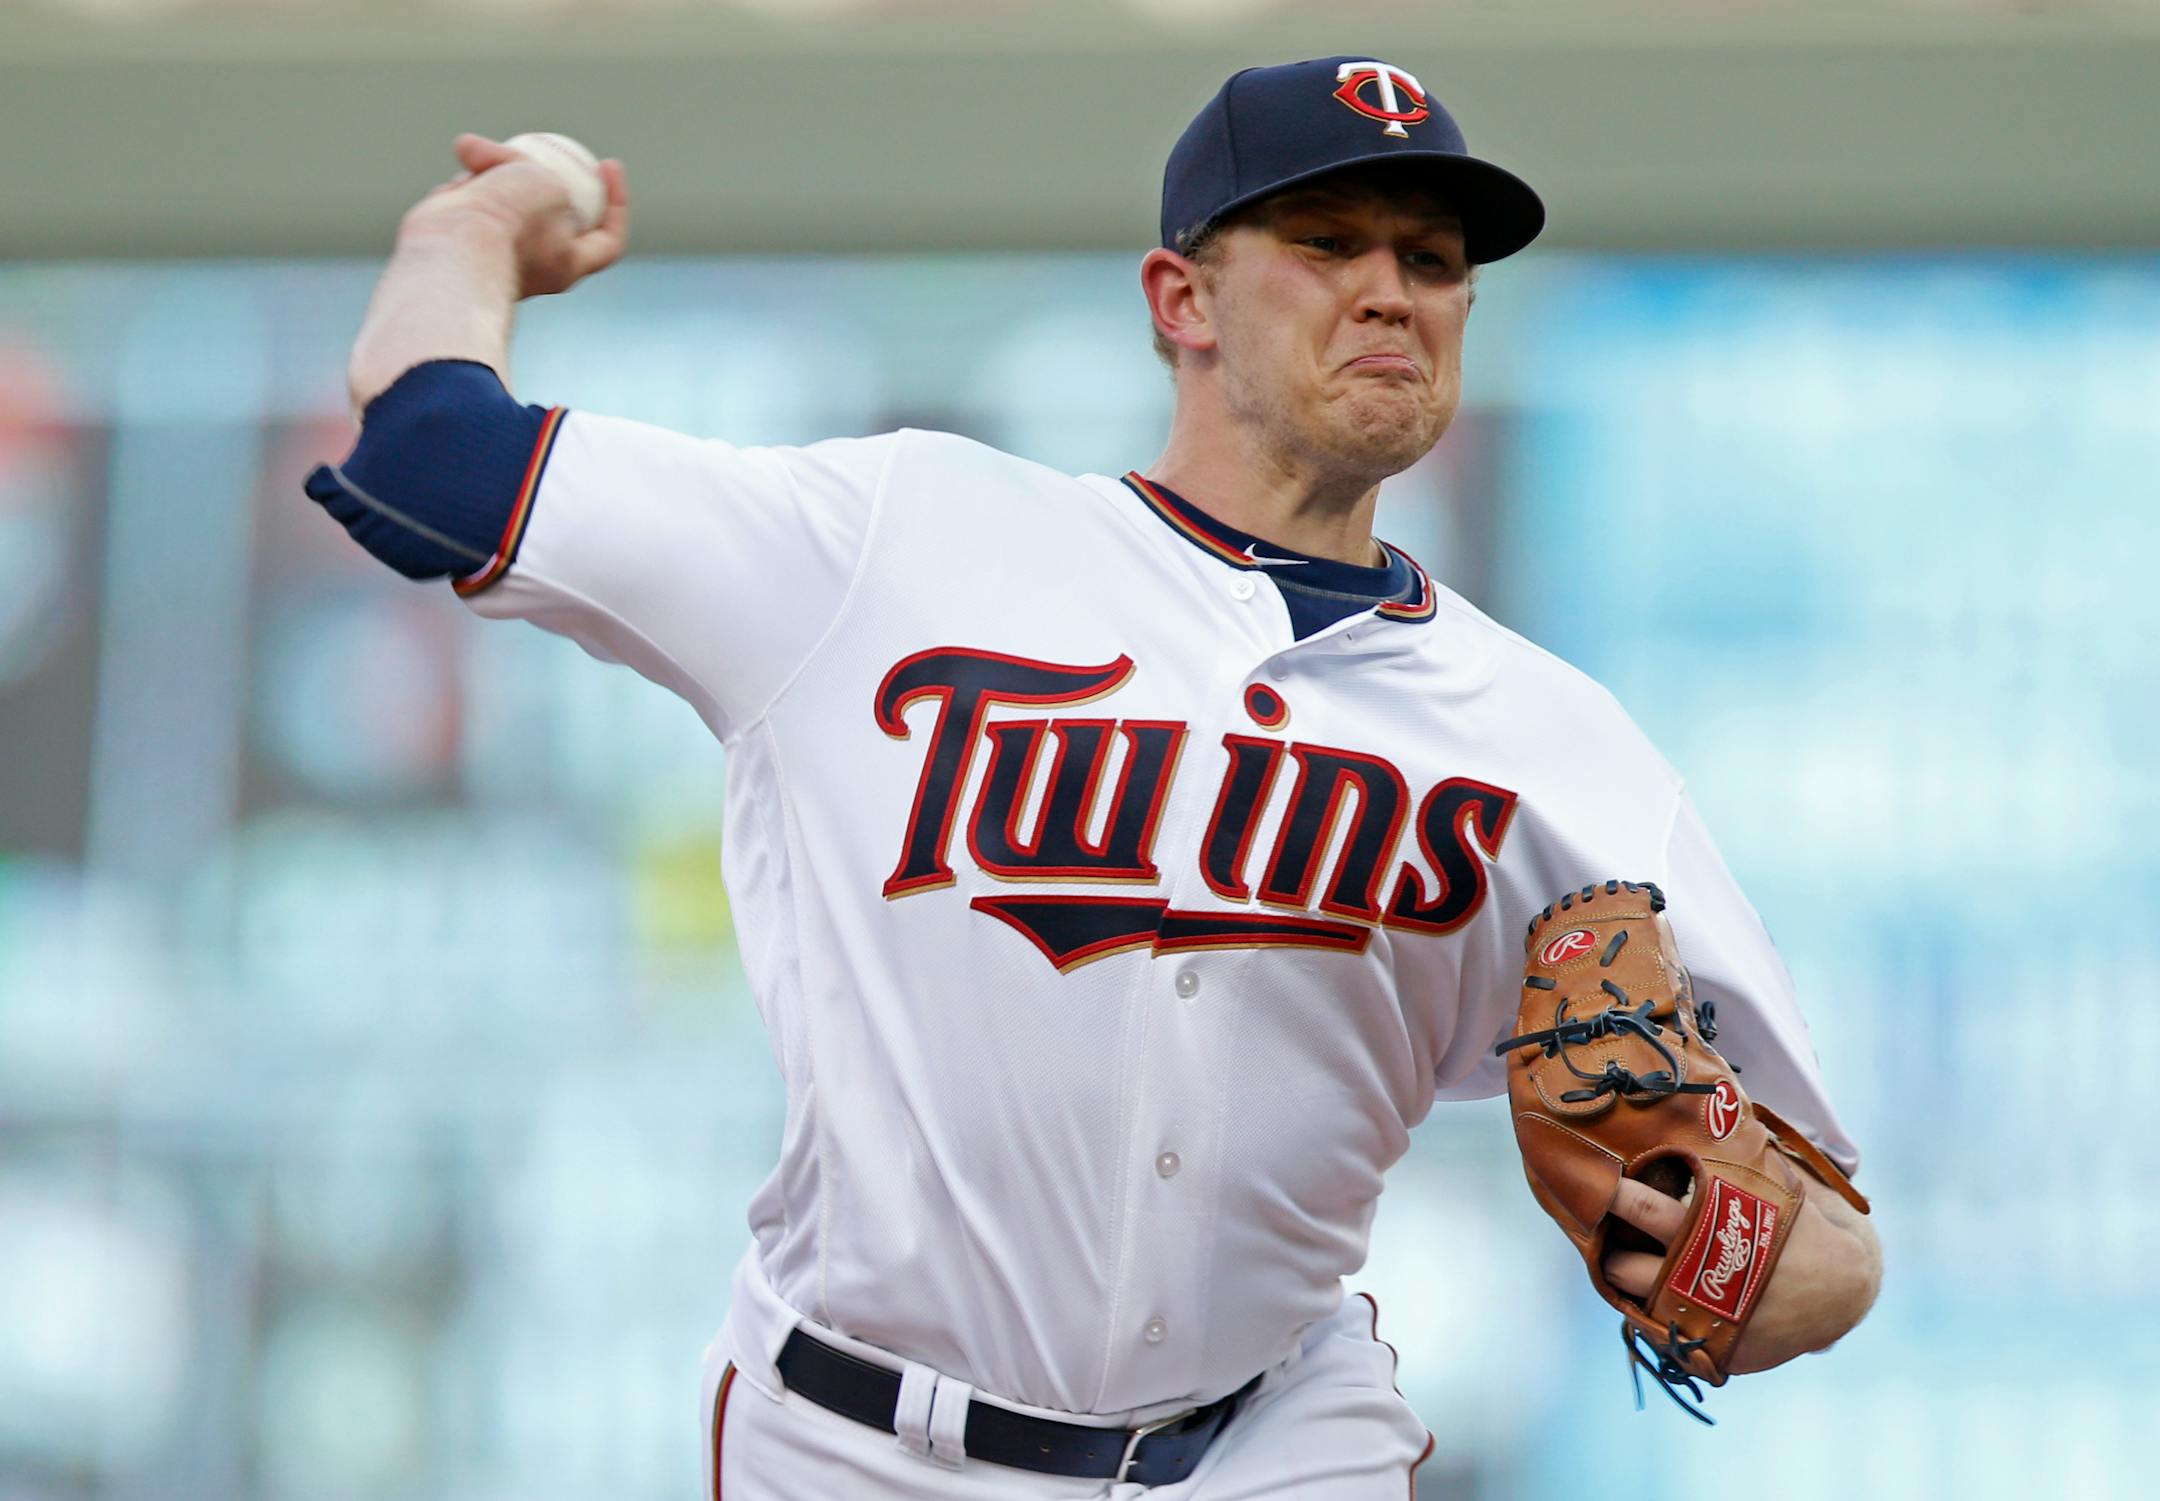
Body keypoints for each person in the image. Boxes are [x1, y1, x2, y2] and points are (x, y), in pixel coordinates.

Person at [306, 55, 1881, 1500]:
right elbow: (426, 464)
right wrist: (479, 232)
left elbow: (1828, 1226)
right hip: (853, 1441)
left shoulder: (1559, 744)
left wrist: (1759, 1268)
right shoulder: (892, 543)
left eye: (1434, 260)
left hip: (1276, 1445)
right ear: (1180, 299)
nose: (1392, 294)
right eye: (1328, 244)